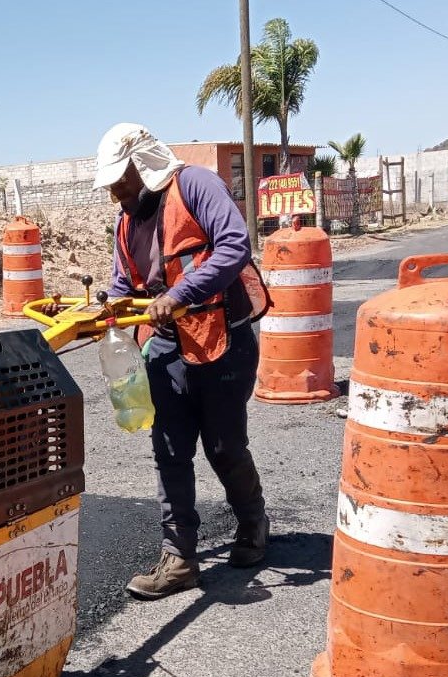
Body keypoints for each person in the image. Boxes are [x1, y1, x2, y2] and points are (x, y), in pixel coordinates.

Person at [93, 123, 269, 600]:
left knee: (224, 446)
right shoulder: (127, 219)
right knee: (169, 451)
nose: (115, 193)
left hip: (220, 338)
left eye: (119, 180)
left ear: (142, 166)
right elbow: (121, 281)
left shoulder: (195, 185)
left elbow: (235, 245)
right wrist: (101, 306)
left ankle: (254, 521)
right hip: (167, 346)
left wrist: (179, 293)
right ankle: (179, 558)